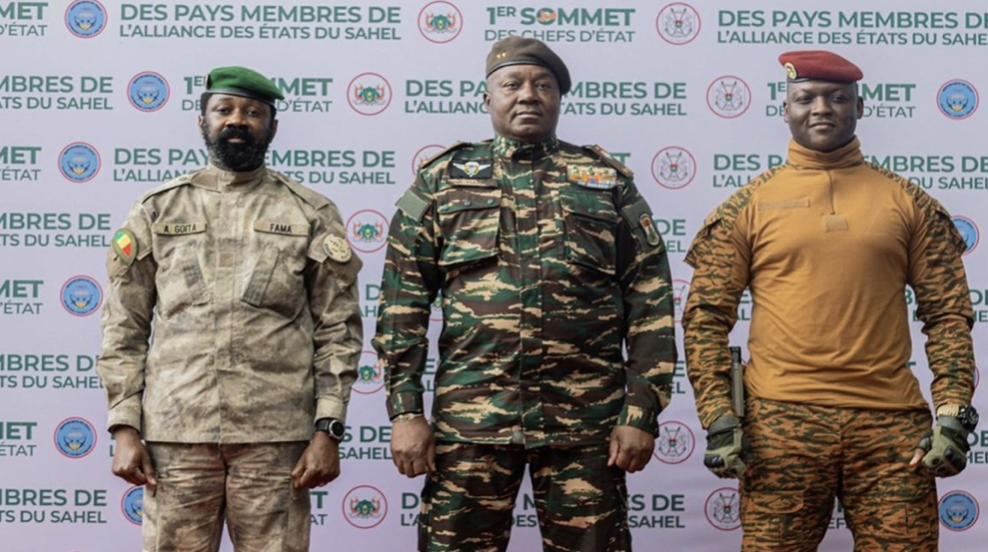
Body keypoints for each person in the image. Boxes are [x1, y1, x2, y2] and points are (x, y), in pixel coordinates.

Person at [372, 36, 676, 552]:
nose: (528, 95)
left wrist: (640, 411)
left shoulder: (606, 183)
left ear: (560, 98)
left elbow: (651, 301)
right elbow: (403, 305)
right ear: (487, 98)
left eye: (544, 85)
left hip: (586, 428)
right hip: (471, 425)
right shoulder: (442, 182)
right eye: (512, 84)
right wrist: (405, 412)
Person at [683, 50, 977, 551]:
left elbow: (948, 314)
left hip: (892, 430)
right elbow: (705, 318)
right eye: (806, 98)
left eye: (837, 98)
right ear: (785, 110)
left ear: (859, 108)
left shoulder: (909, 203)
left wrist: (952, 412)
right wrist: (718, 416)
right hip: (779, 426)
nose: (821, 108)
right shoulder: (745, 207)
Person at [96, 66, 362, 552]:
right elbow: (124, 326)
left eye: (253, 112)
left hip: (276, 438)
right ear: (203, 122)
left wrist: (328, 429)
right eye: (224, 110)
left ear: (272, 126)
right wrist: (123, 426)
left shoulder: (309, 212)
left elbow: (338, 330)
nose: (237, 121)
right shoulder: (158, 210)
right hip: (177, 434)